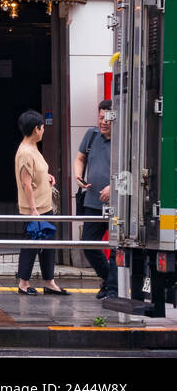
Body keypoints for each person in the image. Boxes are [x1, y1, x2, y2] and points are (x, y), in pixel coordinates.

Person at [15, 109, 68, 296]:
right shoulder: (25, 153)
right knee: (31, 245)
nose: (44, 130)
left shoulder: (33, 148)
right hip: (35, 209)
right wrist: (33, 210)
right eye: (42, 127)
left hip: (44, 206)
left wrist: (48, 177)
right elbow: (26, 184)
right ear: (36, 129)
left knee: (48, 245)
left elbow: (37, 175)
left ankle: (49, 282)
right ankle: (23, 283)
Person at [74, 100, 117, 299]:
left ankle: (113, 289)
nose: (103, 122)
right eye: (100, 118)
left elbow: (131, 168)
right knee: (88, 244)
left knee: (117, 248)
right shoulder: (91, 135)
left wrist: (113, 187)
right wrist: (78, 175)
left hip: (117, 205)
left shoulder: (123, 139)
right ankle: (108, 281)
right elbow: (80, 157)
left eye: (107, 118)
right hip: (92, 202)